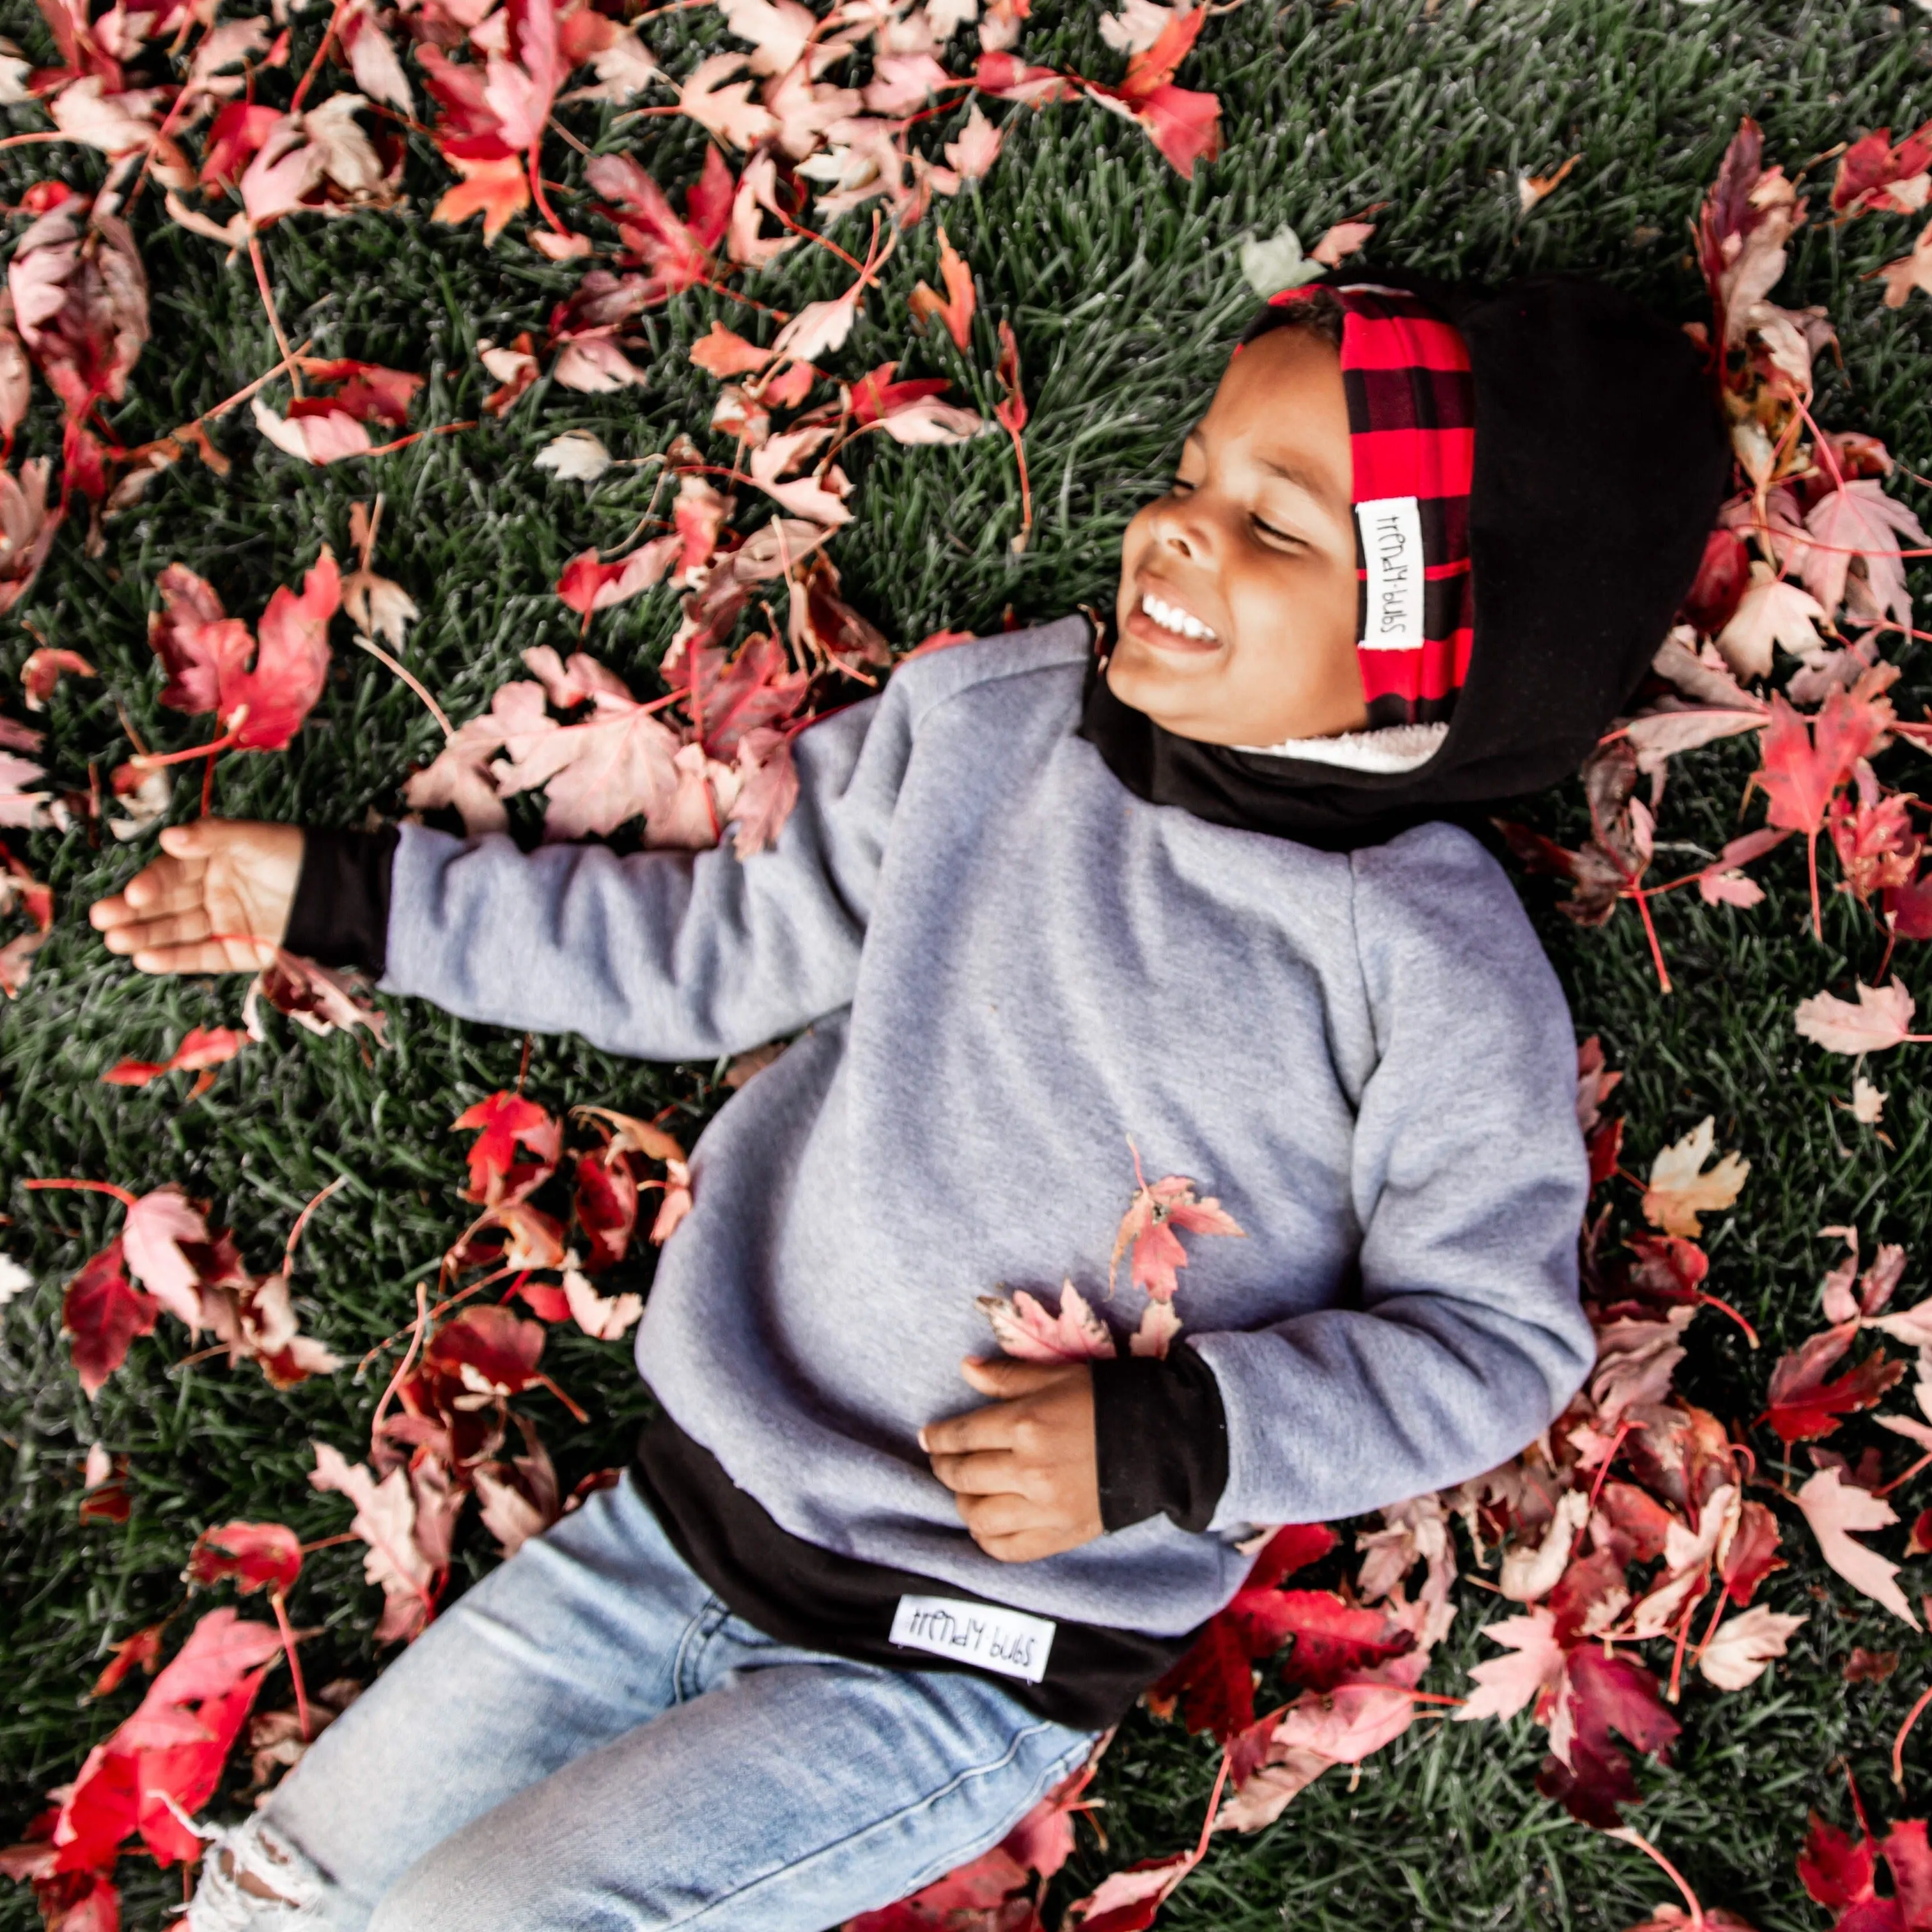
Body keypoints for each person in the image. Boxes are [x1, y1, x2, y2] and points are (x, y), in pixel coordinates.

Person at [91, 271, 1728, 1932]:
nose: (1173, 529)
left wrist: (1188, 1436)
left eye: (1274, 528)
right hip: (673, 1524)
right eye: (1189, 471)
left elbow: (1492, 1341)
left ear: (1425, 655)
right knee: (277, 1905)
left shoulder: (1427, 962)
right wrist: (361, 904)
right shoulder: (993, 726)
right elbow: (712, 956)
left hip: (957, 1652)